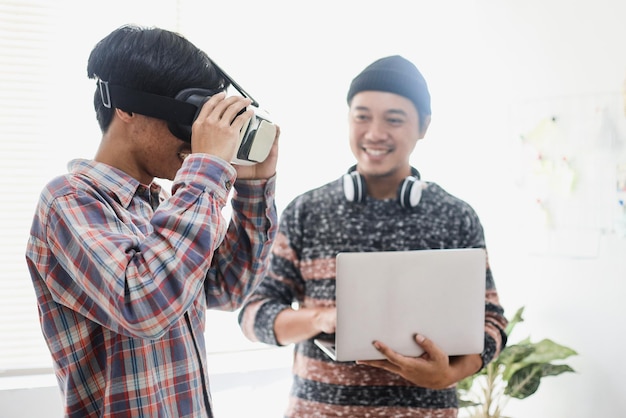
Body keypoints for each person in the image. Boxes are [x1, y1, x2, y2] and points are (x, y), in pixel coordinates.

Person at [25, 24, 279, 418]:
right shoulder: (69, 201)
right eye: (190, 120)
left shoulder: (163, 208)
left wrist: (253, 187)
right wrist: (207, 168)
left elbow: (230, 288)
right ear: (125, 106)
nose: (196, 139)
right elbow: (143, 304)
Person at [238, 55, 508, 417]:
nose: (375, 133)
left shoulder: (456, 216)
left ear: (424, 125)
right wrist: (321, 319)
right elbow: (253, 313)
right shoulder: (307, 210)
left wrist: (450, 373)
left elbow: (491, 321)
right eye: (362, 116)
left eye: (394, 119)